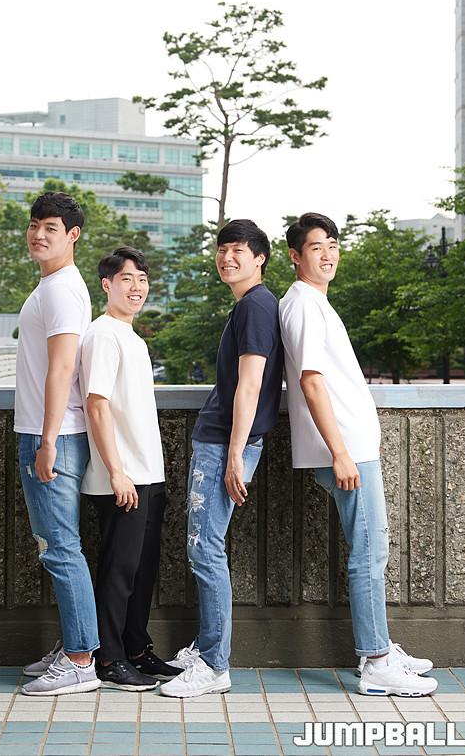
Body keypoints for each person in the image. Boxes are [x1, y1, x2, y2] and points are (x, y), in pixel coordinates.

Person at [278, 212, 437, 697]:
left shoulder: (314, 302)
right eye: (316, 247)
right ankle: (376, 661)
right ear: (295, 256)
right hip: (344, 448)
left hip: (351, 445)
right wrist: (340, 452)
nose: (328, 254)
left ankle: (380, 646)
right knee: (370, 551)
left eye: (332, 244)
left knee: (372, 547)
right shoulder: (303, 305)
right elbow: (310, 381)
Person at [161, 219, 284, 699]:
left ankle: (214, 664)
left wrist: (234, 453)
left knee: (205, 548)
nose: (226, 258)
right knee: (203, 546)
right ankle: (206, 649)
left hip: (224, 444)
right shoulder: (250, 305)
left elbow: (251, 385)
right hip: (221, 441)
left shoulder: (256, 306)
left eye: (238, 250)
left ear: (260, 258)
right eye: (222, 250)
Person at [79, 247, 182, 691]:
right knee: (118, 572)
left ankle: (137, 649)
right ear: (107, 285)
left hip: (148, 473)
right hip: (121, 477)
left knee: (141, 572)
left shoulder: (132, 338)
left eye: (142, 278)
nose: (137, 286)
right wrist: (117, 471)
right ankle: (109, 658)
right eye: (126, 278)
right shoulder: (102, 334)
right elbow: (96, 405)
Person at [15, 192, 100, 696]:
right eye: (34, 225)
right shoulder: (51, 286)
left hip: (56, 434)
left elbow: (63, 367)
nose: (39, 234)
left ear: (73, 235)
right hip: (46, 430)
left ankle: (80, 659)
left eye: (51, 227)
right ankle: (73, 644)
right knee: (56, 546)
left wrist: (46, 440)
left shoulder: (63, 289)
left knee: (62, 547)